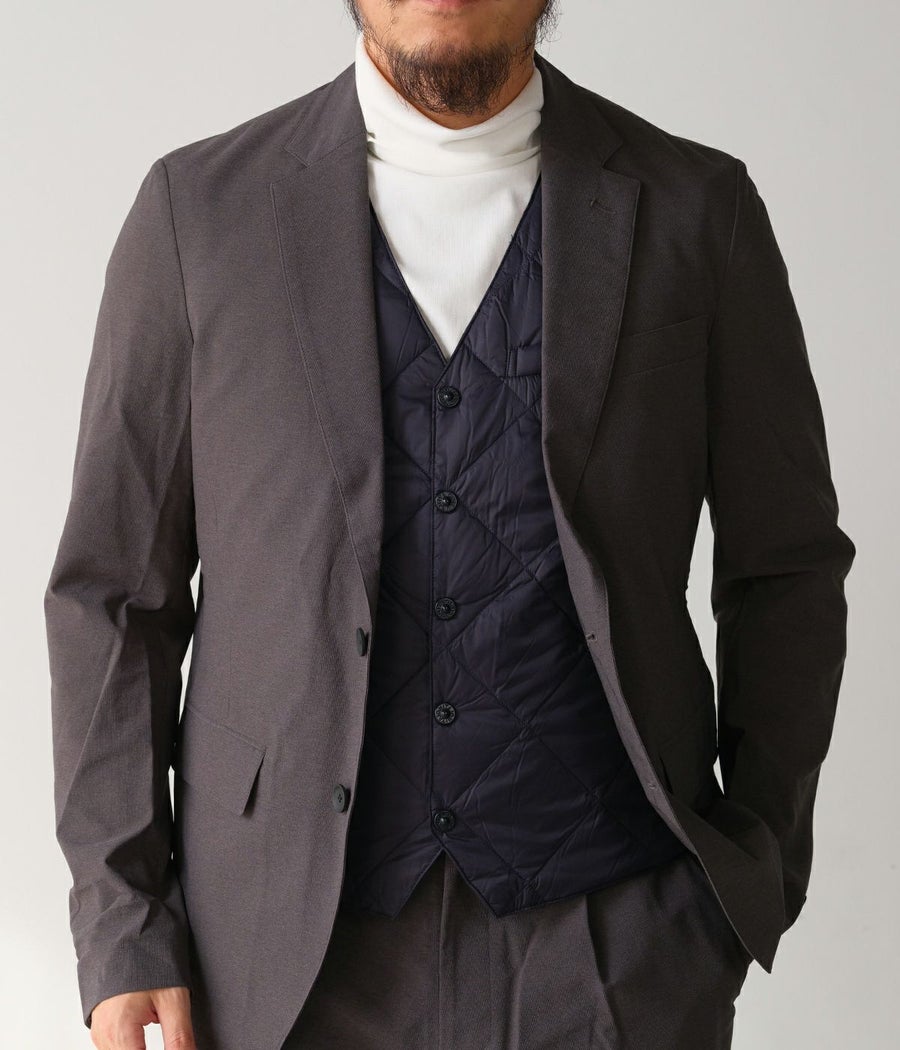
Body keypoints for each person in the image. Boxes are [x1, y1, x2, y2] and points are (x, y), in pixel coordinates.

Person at [44, 1, 856, 1048]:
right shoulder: (196, 216)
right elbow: (114, 595)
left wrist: (749, 867)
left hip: (615, 952)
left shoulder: (699, 211)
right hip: (274, 958)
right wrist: (123, 925)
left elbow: (787, 567)